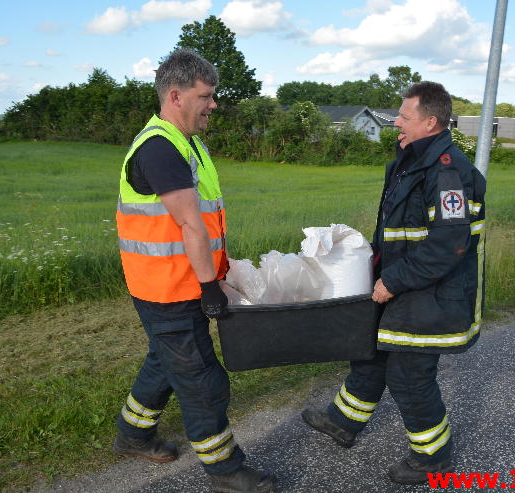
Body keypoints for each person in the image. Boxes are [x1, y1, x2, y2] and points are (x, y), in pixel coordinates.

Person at [301, 82, 486, 485]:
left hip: (429, 295)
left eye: (404, 117)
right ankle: (342, 422)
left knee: (409, 375)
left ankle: (433, 456)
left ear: (430, 121)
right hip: (405, 285)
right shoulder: (412, 161)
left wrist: (393, 280)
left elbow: (448, 243)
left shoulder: (448, 172)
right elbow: (401, 232)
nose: (395, 123)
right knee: (371, 354)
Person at [113, 48, 276, 493]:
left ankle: (132, 434)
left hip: (172, 284)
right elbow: (189, 223)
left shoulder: (186, 143)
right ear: (176, 95)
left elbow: (202, 221)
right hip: (169, 288)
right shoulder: (161, 148)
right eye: (206, 95)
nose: (213, 104)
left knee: (166, 362)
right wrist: (210, 287)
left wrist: (215, 274)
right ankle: (225, 471)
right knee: (203, 381)